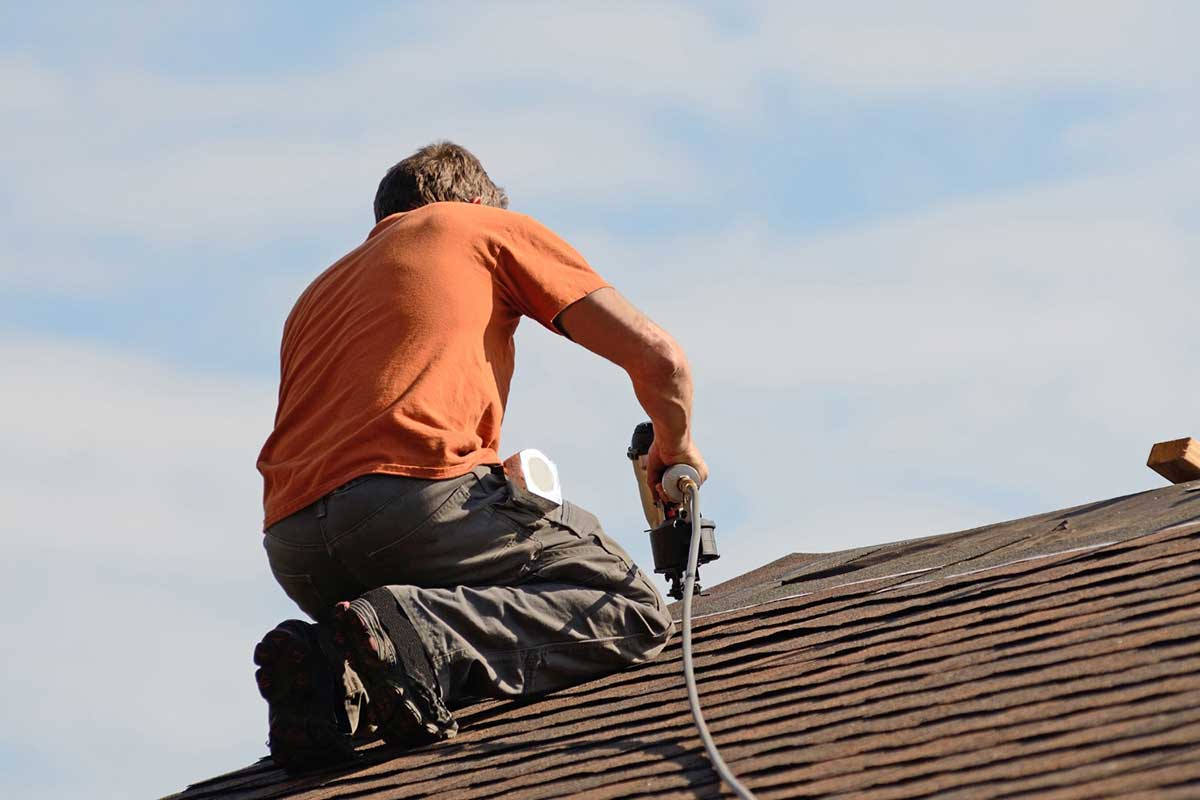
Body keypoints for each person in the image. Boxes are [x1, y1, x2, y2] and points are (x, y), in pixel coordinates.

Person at [251, 141, 708, 770]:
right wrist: (674, 444)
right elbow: (662, 361)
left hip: (296, 546)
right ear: (471, 201)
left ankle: (333, 675)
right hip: (412, 504)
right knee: (627, 605)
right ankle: (421, 633)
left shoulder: (317, 294)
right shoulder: (477, 227)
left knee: (382, 635)